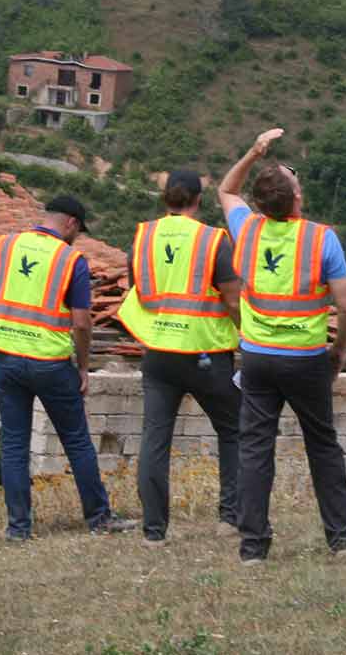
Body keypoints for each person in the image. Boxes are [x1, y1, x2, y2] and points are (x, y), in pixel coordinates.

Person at [216, 128, 346, 564]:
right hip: (306, 358)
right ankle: (340, 538)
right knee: (322, 444)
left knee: (256, 448)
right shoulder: (321, 239)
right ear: (296, 199)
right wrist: (339, 351)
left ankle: (253, 547)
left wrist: (254, 151)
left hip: (258, 357)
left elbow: (226, 188)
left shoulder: (247, 229)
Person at [0, 195, 135, 540]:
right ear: (72, 224)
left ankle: (18, 529)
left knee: (14, 445)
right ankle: (99, 519)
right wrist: (82, 366)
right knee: (77, 441)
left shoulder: (5, 246)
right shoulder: (71, 260)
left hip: (6, 357)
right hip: (50, 364)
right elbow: (81, 323)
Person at [117, 170, 244, 545]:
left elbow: (137, 289)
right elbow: (233, 299)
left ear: (166, 199)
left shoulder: (142, 237)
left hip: (158, 353)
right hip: (206, 352)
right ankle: (230, 518)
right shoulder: (213, 241)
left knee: (155, 438)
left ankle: (154, 531)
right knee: (234, 428)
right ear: (198, 200)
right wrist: (248, 338)